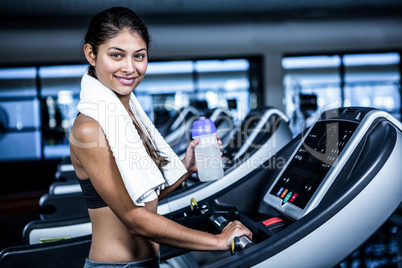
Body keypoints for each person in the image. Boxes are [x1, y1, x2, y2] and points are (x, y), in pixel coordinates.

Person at [69, 6, 252, 267]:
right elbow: (134, 218)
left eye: (139, 56)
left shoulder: (130, 115)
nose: (130, 68)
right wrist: (218, 241)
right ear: (91, 54)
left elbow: (143, 200)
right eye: (117, 55)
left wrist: (186, 169)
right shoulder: (89, 128)